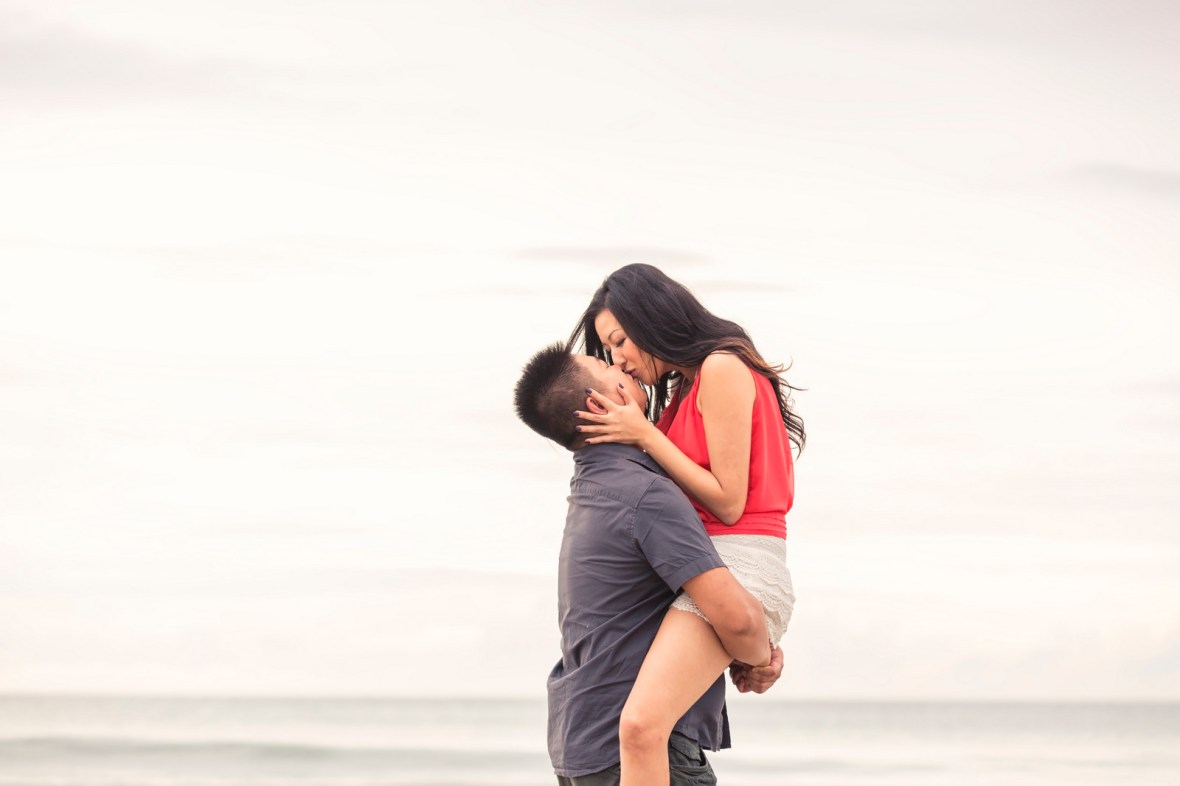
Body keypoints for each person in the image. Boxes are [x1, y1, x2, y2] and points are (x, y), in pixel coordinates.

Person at [569, 263, 805, 786]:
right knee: (639, 726)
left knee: (638, 727)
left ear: (652, 317)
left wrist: (645, 436)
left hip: (739, 560)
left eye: (622, 341)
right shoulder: (684, 390)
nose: (620, 360)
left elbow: (727, 501)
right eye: (610, 351)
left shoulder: (721, 367)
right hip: (712, 567)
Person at [514, 341, 785, 786]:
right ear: (600, 401)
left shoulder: (593, 489)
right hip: (637, 751)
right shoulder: (646, 494)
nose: (621, 363)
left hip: (581, 743)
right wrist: (761, 658)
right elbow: (736, 620)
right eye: (606, 365)